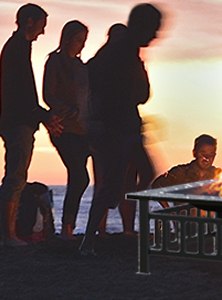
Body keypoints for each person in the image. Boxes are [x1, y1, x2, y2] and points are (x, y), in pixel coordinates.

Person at [80, 3, 161, 255]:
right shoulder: (119, 50)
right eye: (154, 29)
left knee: (145, 172)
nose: (156, 35)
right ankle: (88, 241)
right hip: (115, 128)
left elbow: (142, 93)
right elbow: (101, 82)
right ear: (141, 26)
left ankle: (116, 206)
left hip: (126, 125)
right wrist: (99, 120)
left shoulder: (130, 52)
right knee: (112, 185)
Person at [0, 3, 63, 247]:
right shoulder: (16, 49)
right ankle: (9, 236)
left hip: (18, 120)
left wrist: (41, 116)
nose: (43, 32)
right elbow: (21, 94)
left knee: (16, 174)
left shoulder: (18, 48)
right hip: (17, 122)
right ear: (29, 22)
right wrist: (43, 116)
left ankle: (10, 234)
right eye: (41, 25)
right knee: (16, 176)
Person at [42, 20, 90, 240]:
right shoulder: (54, 62)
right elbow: (48, 95)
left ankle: (70, 227)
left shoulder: (81, 67)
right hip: (63, 127)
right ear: (68, 38)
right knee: (79, 175)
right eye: (79, 40)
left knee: (81, 176)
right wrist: (69, 111)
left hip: (84, 129)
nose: (81, 45)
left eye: (84, 41)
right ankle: (67, 228)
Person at [151, 134, 221, 207]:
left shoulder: (218, 175)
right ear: (195, 153)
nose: (207, 159)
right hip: (183, 216)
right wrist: (168, 211)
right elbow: (157, 186)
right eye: (203, 154)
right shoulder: (180, 172)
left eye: (211, 155)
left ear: (215, 155)